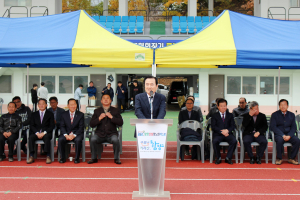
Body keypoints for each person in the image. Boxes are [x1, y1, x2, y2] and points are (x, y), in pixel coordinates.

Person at [88, 94, 123, 164]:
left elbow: (120, 122)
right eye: (104, 98)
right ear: (101, 101)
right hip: (99, 134)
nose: (106, 100)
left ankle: (116, 158)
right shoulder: (97, 111)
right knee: (93, 139)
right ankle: (94, 158)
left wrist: (112, 117)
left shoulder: (115, 110)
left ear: (110, 100)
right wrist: (99, 118)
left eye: (107, 98)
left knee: (116, 140)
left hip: (112, 133)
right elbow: (91, 124)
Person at [270, 99, 300, 165]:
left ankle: (292, 158)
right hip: (279, 135)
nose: (283, 106)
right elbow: (273, 127)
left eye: (285, 105)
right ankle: (279, 158)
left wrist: (289, 135)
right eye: (281, 105)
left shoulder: (291, 115)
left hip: (289, 134)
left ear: (287, 106)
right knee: (280, 140)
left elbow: (293, 127)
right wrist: (282, 135)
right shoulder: (274, 115)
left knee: (297, 140)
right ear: (279, 106)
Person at [27, 98, 55, 164]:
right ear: (38, 105)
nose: (41, 105)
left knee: (47, 137)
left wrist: (44, 132)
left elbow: (52, 126)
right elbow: (32, 125)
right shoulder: (34, 114)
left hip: (46, 133)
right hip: (36, 133)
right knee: (31, 137)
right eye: (40, 104)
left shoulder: (50, 114)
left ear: (46, 105)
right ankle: (31, 156)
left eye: (43, 104)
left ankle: (48, 156)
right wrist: (37, 133)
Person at [58, 98, 84, 164]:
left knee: (78, 140)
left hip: (76, 134)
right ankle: (63, 158)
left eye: (74, 104)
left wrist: (74, 135)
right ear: (68, 106)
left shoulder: (80, 114)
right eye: (71, 105)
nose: (73, 106)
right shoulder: (64, 114)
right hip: (66, 134)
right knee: (60, 139)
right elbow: (62, 126)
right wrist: (66, 135)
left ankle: (77, 158)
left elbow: (81, 127)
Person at [211, 98, 237, 165]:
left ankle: (228, 158)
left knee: (234, 141)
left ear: (226, 106)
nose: (223, 107)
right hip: (218, 134)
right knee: (215, 141)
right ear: (218, 106)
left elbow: (233, 125)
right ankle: (218, 158)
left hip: (228, 134)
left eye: (224, 106)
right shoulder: (214, 115)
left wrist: (227, 131)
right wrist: (221, 131)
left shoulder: (230, 115)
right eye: (221, 106)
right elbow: (213, 127)